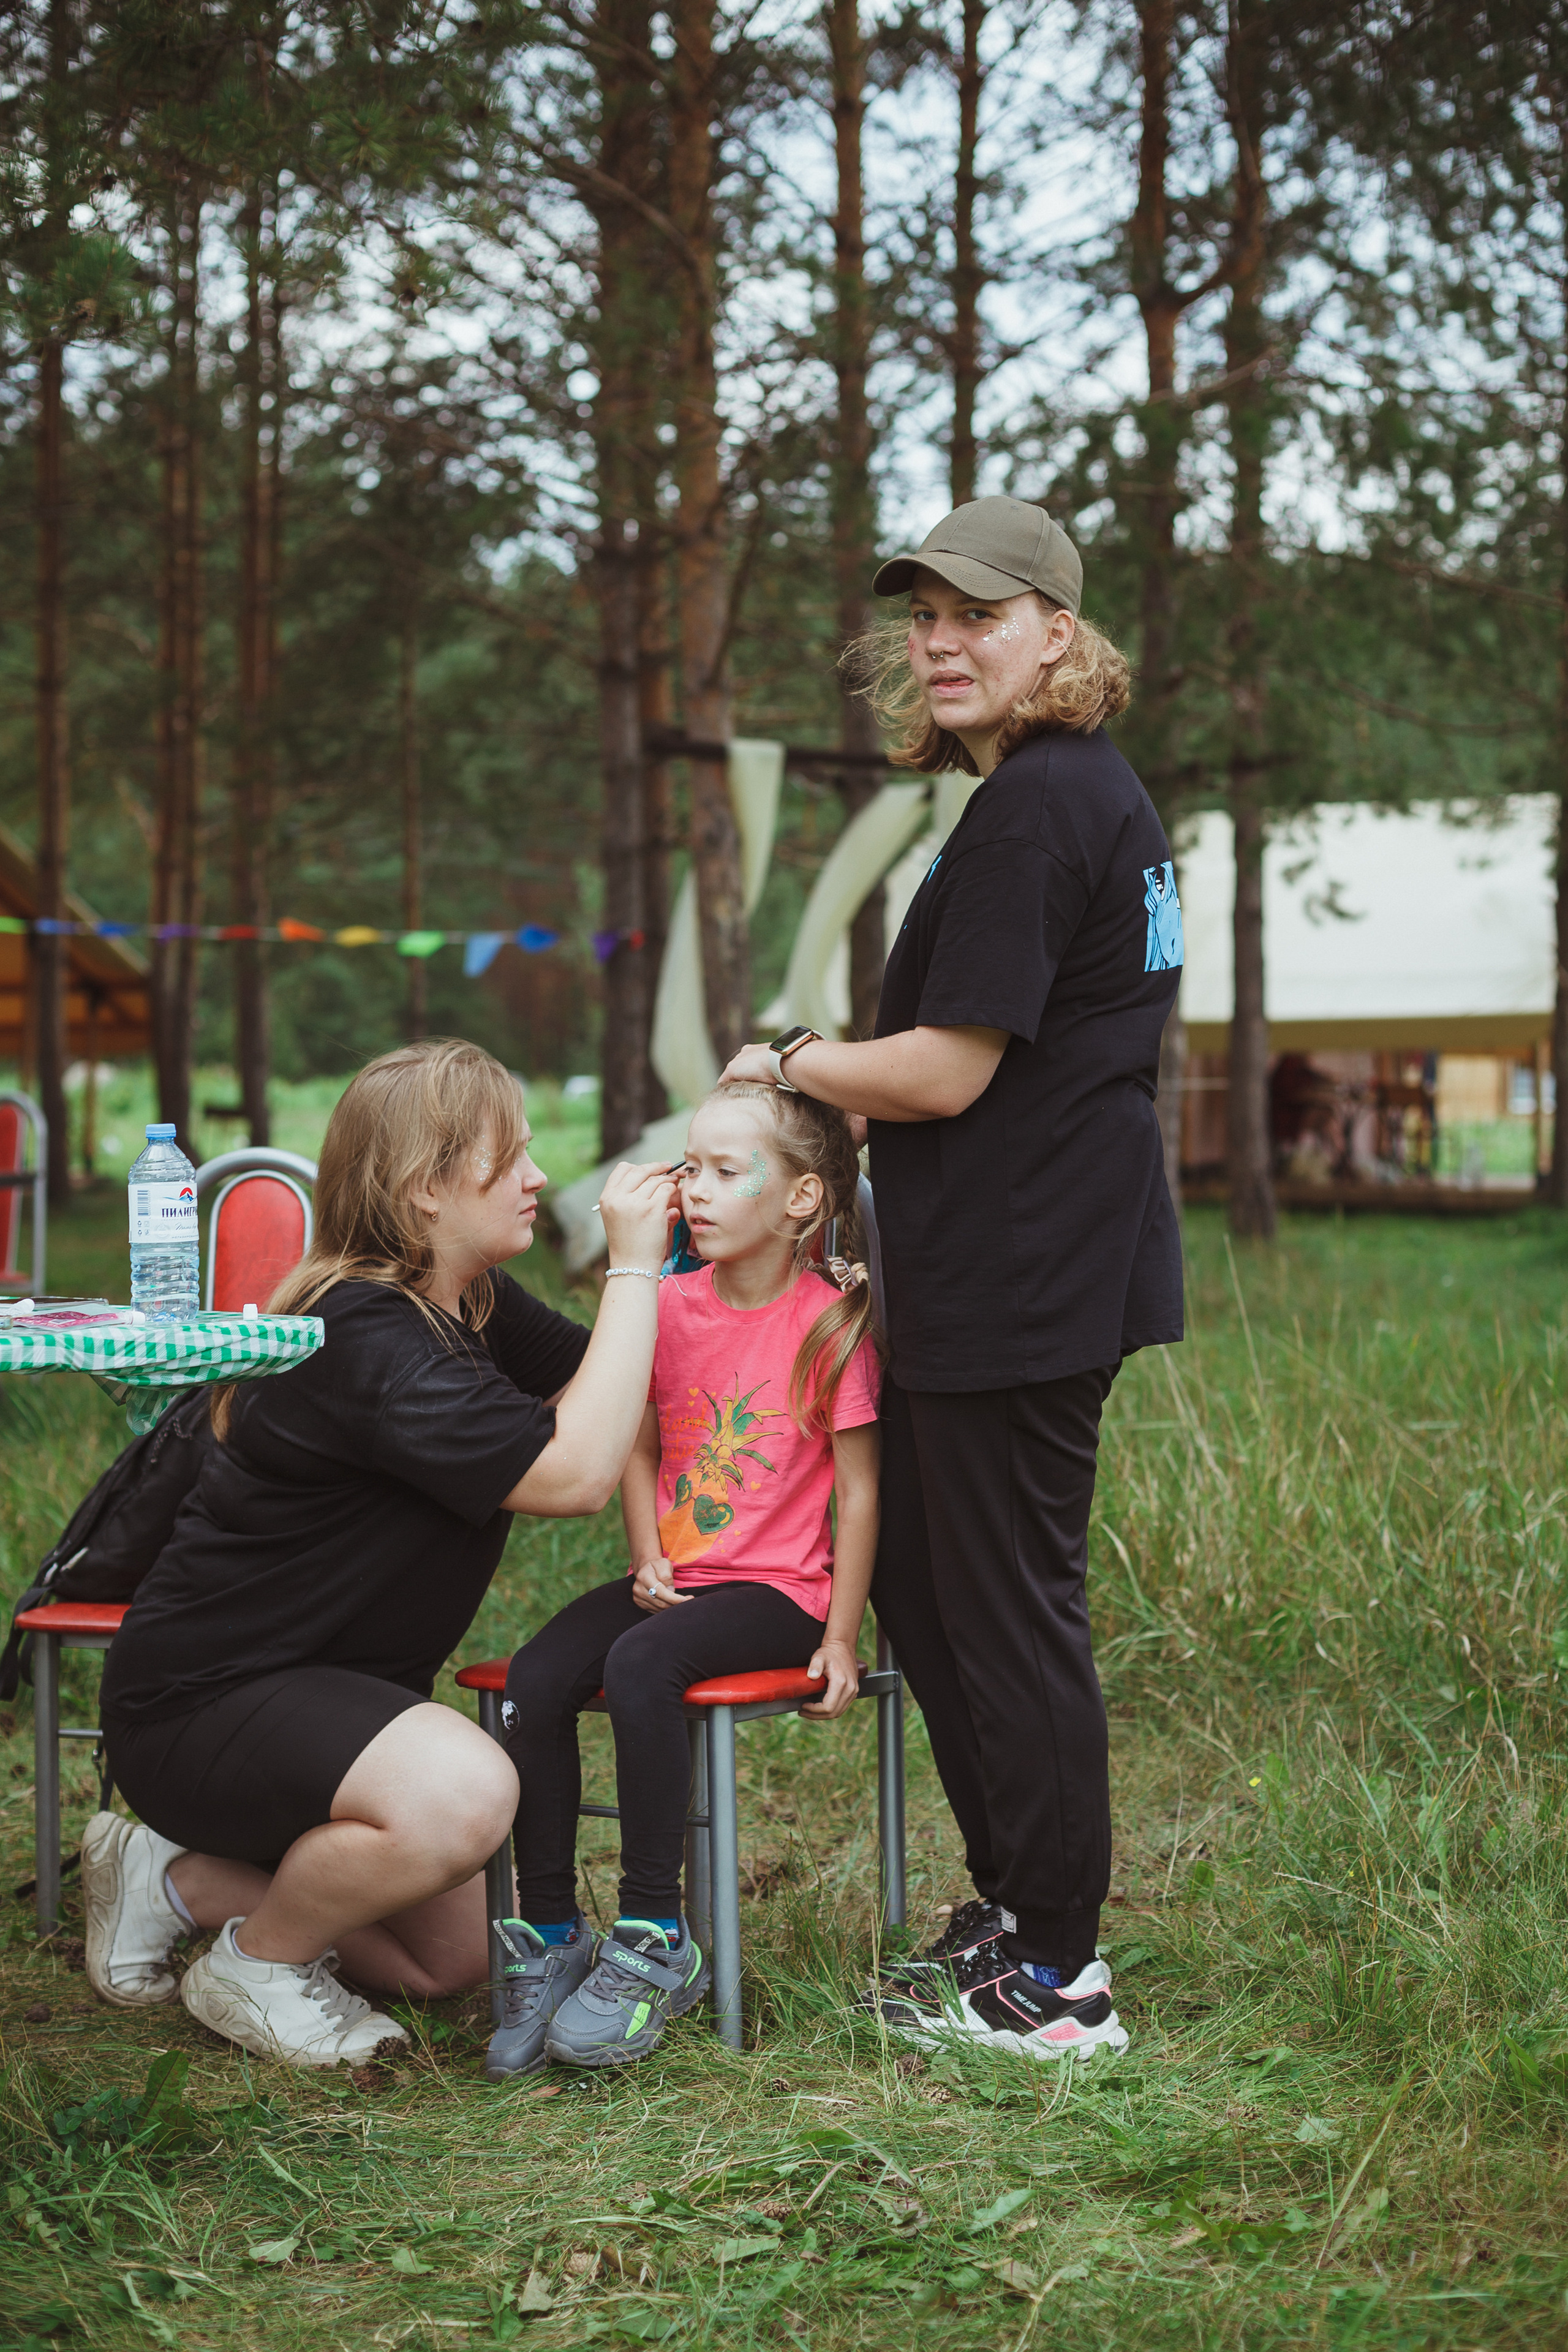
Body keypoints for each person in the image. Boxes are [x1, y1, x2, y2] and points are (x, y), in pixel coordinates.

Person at [720, 495, 1183, 2062]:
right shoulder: (1058, 800)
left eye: (976, 613)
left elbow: (942, 1071)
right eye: (921, 616)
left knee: (1003, 1608)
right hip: (1012, 1261)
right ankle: (1007, 1908)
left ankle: (1059, 1976)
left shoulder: (1043, 805)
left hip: (1024, 1269)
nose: (939, 641)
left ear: (1058, 629)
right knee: (931, 1584)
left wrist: (792, 1057)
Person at [83, 1039, 678, 2069]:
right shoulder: (366, 1334)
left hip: (331, 1700)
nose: (539, 1178)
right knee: (466, 1794)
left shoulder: (469, 1300)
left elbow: (621, 1379)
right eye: (511, 1159)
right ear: (424, 1191)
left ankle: (170, 1880)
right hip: (203, 1701)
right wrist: (633, 1262)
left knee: (443, 1964)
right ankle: (256, 1965)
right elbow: (573, 1475)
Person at [484, 1083, 880, 2078]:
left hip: (779, 1595)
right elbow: (639, 1445)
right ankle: (553, 1930)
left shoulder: (831, 1325)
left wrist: (838, 1633)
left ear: (800, 1201)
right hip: (676, 1578)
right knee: (534, 1678)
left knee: (645, 1662)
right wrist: (646, 1553)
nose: (693, 1190)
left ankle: (657, 1934)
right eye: (688, 1168)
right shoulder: (662, 1306)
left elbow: (862, 1496)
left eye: (723, 1171)